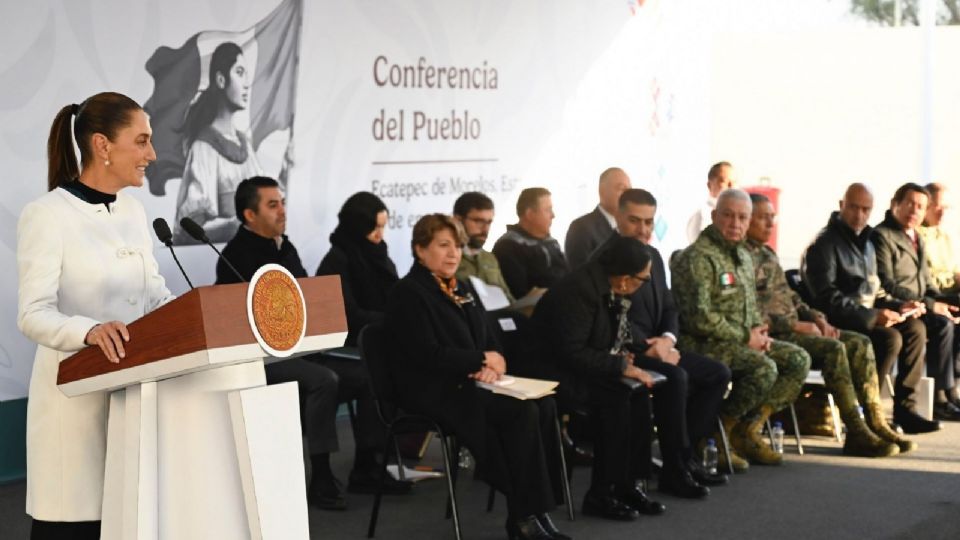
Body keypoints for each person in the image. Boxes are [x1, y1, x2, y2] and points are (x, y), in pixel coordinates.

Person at [17, 92, 175, 539]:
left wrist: (194, 315)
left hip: (132, 402)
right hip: (75, 411)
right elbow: (32, 314)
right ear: (103, 145)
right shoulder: (47, 215)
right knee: (76, 526)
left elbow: (153, 295)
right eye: (141, 141)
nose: (152, 154)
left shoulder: (134, 210)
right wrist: (89, 332)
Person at [216, 180, 409, 510]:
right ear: (249, 214)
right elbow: (242, 322)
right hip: (261, 356)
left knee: (367, 373)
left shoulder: (284, 248)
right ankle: (320, 476)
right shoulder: (235, 257)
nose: (283, 210)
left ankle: (365, 465)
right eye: (272, 205)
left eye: (283, 202)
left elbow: (306, 299)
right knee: (324, 381)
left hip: (304, 347)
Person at [384, 214, 569, 540]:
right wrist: (478, 359)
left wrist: (492, 363)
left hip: (470, 380)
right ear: (420, 250)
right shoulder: (407, 293)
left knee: (544, 406)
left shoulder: (462, 286)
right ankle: (523, 517)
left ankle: (538, 510)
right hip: (432, 389)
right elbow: (427, 354)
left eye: (456, 245)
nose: (453, 253)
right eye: (443, 245)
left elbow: (489, 339)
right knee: (520, 412)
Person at [534, 235, 711, 523]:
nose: (645, 284)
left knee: (638, 391)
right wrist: (618, 366)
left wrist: (629, 358)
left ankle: (629, 484)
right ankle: (601, 493)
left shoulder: (611, 287)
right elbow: (571, 352)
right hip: (552, 372)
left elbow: (612, 337)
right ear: (626, 278)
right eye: (643, 278)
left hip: (584, 365)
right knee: (615, 397)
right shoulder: (579, 290)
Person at [746, 193, 906, 456]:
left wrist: (815, 316)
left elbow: (791, 298)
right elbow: (750, 309)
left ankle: (873, 421)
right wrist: (797, 326)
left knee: (859, 342)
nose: (770, 224)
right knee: (834, 348)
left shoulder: (766, 253)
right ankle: (854, 429)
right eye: (763, 218)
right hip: (773, 334)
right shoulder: (743, 258)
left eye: (772, 217)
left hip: (794, 327)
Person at [671, 189, 811, 467]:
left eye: (742, 217)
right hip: (701, 343)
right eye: (728, 215)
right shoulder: (698, 258)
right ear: (714, 216)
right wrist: (746, 337)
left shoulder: (744, 256)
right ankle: (712, 436)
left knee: (797, 359)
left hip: (740, 340)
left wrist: (758, 333)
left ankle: (742, 431)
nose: (735, 223)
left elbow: (749, 306)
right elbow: (698, 318)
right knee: (763, 368)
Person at [599, 188, 732, 477]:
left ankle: (685, 452)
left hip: (661, 347)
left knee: (718, 373)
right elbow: (605, 314)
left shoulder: (654, 257)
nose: (643, 230)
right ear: (619, 217)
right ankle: (676, 467)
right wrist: (646, 347)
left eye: (648, 222)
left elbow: (670, 307)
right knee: (677, 377)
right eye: (635, 221)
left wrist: (668, 340)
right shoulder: (604, 257)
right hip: (625, 352)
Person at [801, 183, 938, 434]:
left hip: (864, 315)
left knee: (915, 328)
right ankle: (866, 411)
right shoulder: (824, 245)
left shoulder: (867, 243)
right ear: (841, 205)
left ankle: (905, 410)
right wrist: (873, 317)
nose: (860, 215)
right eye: (854, 207)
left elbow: (875, 290)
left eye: (866, 209)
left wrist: (899, 305)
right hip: (837, 320)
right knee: (890, 339)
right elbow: (825, 298)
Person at [173, 41, 289, 244]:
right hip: (222, 258)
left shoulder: (243, 144)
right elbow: (190, 226)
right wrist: (238, 225)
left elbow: (265, 196)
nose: (246, 84)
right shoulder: (204, 147)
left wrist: (286, 170)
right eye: (239, 72)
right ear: (220, 79)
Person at [871, 183, 960, 420]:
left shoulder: (916, 237)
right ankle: (939, 398)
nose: (914, 210)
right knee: (942, 324)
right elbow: (886, 284)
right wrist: (933, 305)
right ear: (895, 204)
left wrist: (944, 301)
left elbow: (927, 282)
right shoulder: (882, 236)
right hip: (898, 304)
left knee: (956, 310)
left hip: (921, 301)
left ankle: (951, 391)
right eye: (909, 203)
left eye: (920, 206)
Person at [316, 192, 399, 346]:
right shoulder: (335, 263)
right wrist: (393, 319)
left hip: (386, 339)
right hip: (352, 346)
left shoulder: (380, 256)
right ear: (357, 226)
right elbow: (347, 316)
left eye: (382, 227)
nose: (380, 235)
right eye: (374, 227)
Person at [493, 187, 569, 300]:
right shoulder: (508, 247)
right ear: (529, 214)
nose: (553, 215)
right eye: (548, 210)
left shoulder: (552, 243)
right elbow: (519, 294)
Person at [452, 191, 515, 304]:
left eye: (489, 222)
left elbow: (508, 300)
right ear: (458, 220)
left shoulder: (489, 258)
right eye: (478, 221)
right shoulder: (447, 258)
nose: (485, 229)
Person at [564, 167, 632, 268]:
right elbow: (579, 274)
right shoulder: (581, 227)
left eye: (629, 190)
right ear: (602, 191)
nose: (626, 195)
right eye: (621, 188)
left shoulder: (629, 227)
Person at [919, 182, 960, 295]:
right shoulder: (914, 236)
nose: (943, 213)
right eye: (938, 207)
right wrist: (954, 281)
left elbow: (956, 269)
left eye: (947, 207)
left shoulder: (949, 235)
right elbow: (923, 280)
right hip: (932, 298)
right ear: (925, 206)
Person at [685, 162, 735, 243]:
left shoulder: (739, 215)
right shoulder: (703, 215)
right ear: (709, 185)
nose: (731, 186)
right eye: (724, 181)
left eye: (734, 182)